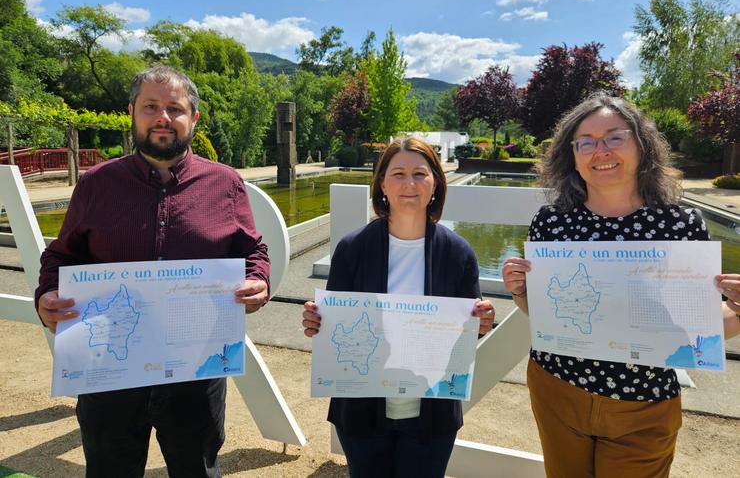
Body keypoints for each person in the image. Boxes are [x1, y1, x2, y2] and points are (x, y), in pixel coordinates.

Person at [34, 66, 270, 478]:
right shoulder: (96, 184)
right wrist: (47, 296)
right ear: (132, 113)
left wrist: (259, 280)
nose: (163, 117)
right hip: (109, 374)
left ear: (193, 118)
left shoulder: (226, 184)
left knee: (197, 470)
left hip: (196, 373)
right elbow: (60, 256)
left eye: (175, 108)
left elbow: (252, 249)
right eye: (151, 107)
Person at [502, 94, 740, 478]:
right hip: (557, 390)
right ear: (573, 155)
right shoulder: (550, 224)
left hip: (644, 402)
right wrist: (520, 292)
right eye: (586, 142)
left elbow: (700, 329)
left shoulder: (680, 226)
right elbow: (544, 314)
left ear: (642, 145)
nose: (601, 151)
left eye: (615, 137)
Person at [302, 137, 495, 478]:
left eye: (420, 174)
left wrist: (482, 322)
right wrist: (318, 321)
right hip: (362, 413)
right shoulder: (352, 249)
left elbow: (467, 334)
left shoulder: (458, 253)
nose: (409, 184)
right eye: (398, 173)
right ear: (382, 184)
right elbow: (332, 328)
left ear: (436, 183)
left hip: (431, 417)